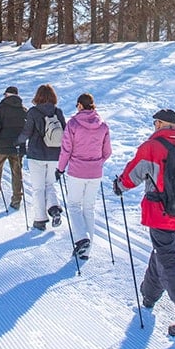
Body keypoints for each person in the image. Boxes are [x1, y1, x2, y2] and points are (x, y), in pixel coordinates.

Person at [114, 108, 175, 339]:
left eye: (156, 122)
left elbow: (132, 175)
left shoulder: (152, 147)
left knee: (169, 262)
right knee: (163, 252)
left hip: (160, 213)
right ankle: (149, 294)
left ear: (160, 124)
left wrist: (119, 186)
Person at [56, 93, 111, 261]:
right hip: (95, 172)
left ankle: (81, 238)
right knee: (89, 208)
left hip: (77, 171)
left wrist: (60, 168)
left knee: (73, 205)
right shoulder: (102, 126)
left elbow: (66, 149)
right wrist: (98, 162)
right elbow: (107, 151)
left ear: (80, 105)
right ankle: (86, 250)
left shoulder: (73, 124)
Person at [17, 83, 66, 231]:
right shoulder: (58, 112)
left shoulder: (33, 112)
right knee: (50, 184)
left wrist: (17, 142)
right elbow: (65, 132)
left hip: (36, 155)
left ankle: (40, 220)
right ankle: (54, 209)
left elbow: (26, 132)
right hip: (54, 154)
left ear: (38, 96)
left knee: (38, 188)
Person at [0, 86, 27, 209]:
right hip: (17, 147)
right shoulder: (23, 110)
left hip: (1, 146)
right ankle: (16, 199)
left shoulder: (0, 109)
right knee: (17, 173)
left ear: (8, 95)